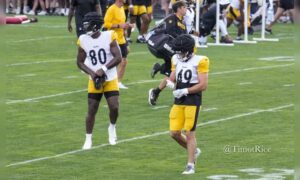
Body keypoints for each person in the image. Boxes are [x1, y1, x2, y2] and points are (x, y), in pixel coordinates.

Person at [76, 12, 122, 149]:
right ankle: (88, 138)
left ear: (96, 26)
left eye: (87, 25)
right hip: (94, 79)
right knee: (92, 109)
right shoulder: (83, 39)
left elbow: (118, 57)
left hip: (110, 77)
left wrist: (103, 69)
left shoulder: (109, 36)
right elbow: (79, 62)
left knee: (114, 107)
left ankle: (112, 127)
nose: (85, 27)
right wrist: (93, 73)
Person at [166, 34, 209, 174]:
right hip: (178, 100)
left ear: (190, 50)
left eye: (182, 51)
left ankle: (190, 165)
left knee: (189, 133)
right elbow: (173, 77)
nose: (179, 54)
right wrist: (169, 83)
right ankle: (194, 151)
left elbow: (203, 85)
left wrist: (185, 90)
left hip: (193, 100)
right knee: (174, 133)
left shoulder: (201, 60)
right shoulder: (175, 59)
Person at [148, 1, 187, 106]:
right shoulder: (171, 18)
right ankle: (179, 98)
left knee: (171, 74)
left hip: (171, 49)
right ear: (178, 9)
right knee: (177, 71)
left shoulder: (183, 22)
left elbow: (185, 36)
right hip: (162, 45)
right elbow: (170, 32)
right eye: (184, 7)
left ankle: (156, 91)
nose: (186, 9)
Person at [104, 0, 134, 89]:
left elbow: (122, 24)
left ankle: (117, 81)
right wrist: (119, 26)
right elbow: (106, 24)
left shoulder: (121, 8)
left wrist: (128, 25)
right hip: (113, 39)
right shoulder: (111, 9)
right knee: (121, 61)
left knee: (123, 61)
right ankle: (113, 80)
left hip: (121, 38)